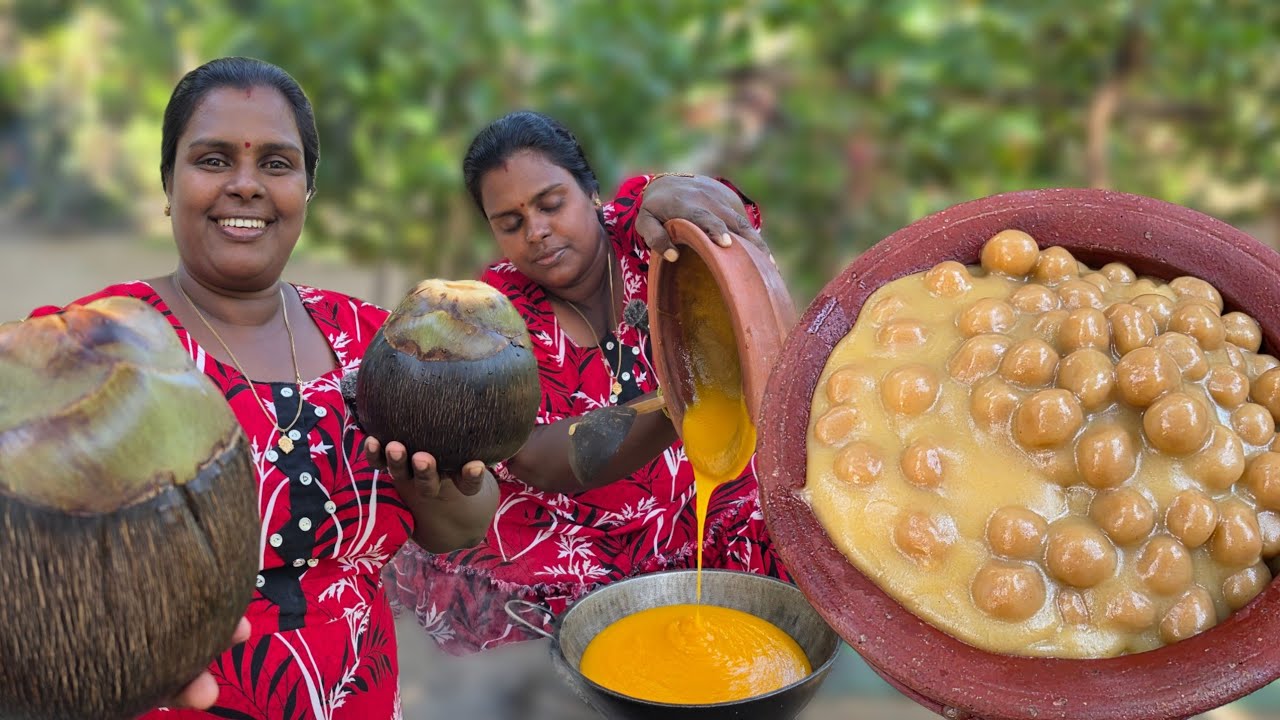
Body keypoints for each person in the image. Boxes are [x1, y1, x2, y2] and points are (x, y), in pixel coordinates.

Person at [28, 57, 502, 719]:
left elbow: (458, 528)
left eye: (276, 164)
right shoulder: (93, 348)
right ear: (168, 183)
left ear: (307, 189)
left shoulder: (380, 343)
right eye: (214, 160)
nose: (245, 185)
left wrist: (443, 483)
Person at [389, 110, 790, 666]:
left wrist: (673, 188)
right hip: (572, 531)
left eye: (551, 204)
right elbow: (534, 459)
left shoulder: (649, 240)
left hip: (699, 507)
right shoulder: (492, 319)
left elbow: (724, 213)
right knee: (567, 652)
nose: (537, 231)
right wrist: (688, 400)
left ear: (592, 194)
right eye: (509, 222)